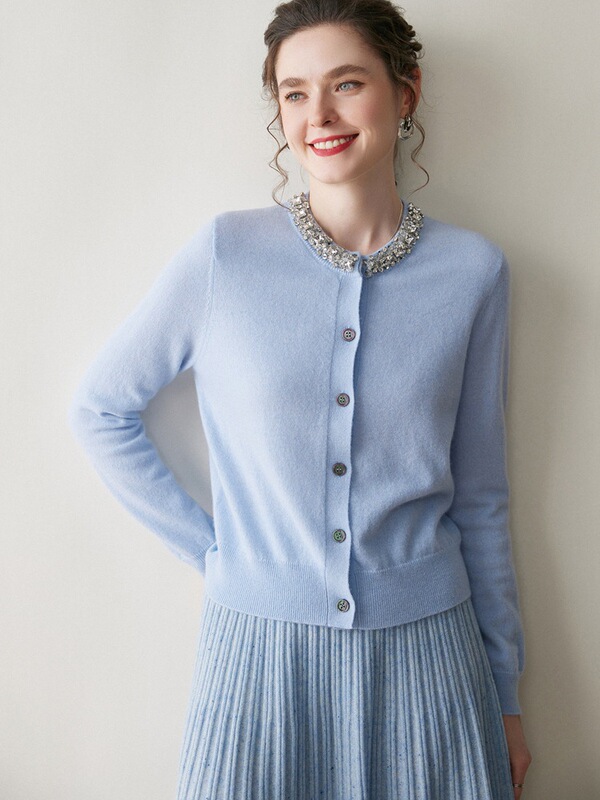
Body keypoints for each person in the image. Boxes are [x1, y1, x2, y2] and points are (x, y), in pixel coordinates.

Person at [68, 0, 533, 797]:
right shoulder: (226, 255)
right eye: (294, 92)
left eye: (346, 83)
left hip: (431, 660)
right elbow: (100, 410)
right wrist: (219, 555)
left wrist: (505, 693)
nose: (318, 113)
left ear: (405, 91)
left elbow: (482, 496)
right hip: (258, 661)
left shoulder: (474, 272)